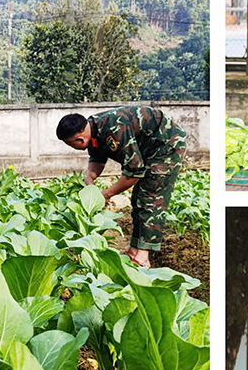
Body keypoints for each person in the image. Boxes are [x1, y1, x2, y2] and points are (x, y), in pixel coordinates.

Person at [56, 105, 185, 269]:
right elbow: (97, 159)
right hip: (147, 150)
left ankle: (143, 258)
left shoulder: (113, 128)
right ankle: (133, 252)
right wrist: (90, 181)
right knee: (138, 198)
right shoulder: (93, 128)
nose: (73, 148)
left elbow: (133, 172)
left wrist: (107, 194)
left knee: (150, 198)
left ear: (80, 140)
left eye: (71, 145)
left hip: (166, 147)